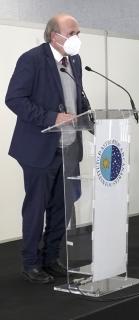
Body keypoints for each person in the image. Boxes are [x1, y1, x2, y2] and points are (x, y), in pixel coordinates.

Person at [5, 13, 89, 283]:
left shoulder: (74, 60)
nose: (77, 37)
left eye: (78, 33)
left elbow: (77, 98)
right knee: (36, 208)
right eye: (72, 32)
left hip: (69, 148)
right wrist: (50, 117)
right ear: (55, 36)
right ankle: (30, 263)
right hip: (39, 149)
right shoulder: (32, 59)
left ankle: (50, 258)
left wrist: (91, 119)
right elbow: (14, 99)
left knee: (61, 209)